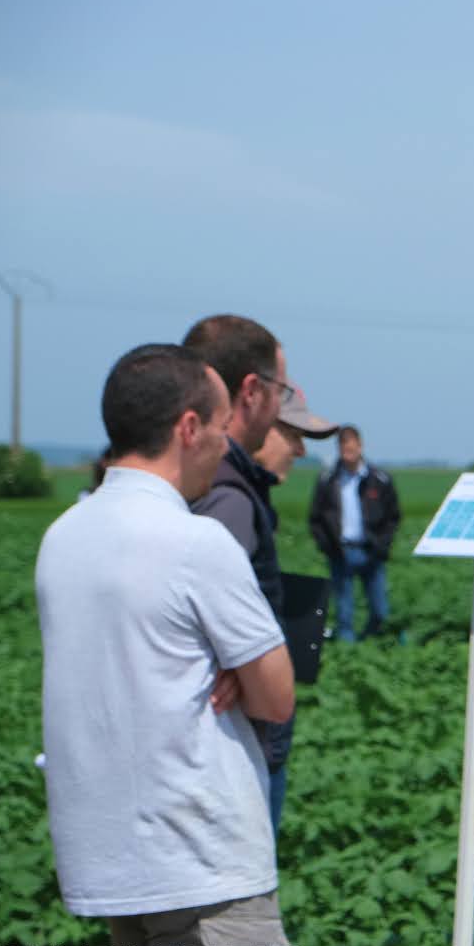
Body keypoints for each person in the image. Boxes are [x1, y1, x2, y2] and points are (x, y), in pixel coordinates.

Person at [36, 344, 295, 946]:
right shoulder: (195, 541)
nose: (224, 443)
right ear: (187, 427)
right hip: (201, 857)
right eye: (218, 427)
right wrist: (235, 670)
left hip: (115, 858)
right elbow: (276, 695)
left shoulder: (63, 536)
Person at [184, 315, 302, 830]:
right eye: (280, 389)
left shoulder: (197, 478)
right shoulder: (228, 495)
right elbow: (204, 615)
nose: (282, 406)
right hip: (232, 742)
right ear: (251, 391)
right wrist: (234, 664)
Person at [308, 425, 401, 642]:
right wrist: (326, 546)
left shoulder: (379, 479)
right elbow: (316, 518)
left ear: (360, 446)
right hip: (341, 551)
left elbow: (393, 516)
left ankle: (371, 643)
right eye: (343, 449)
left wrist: (383, 544)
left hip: (371, 550)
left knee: (380, 611)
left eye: (351, 448)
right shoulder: (328, 480)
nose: (348, 454)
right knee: (344, 612)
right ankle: (348, 654)